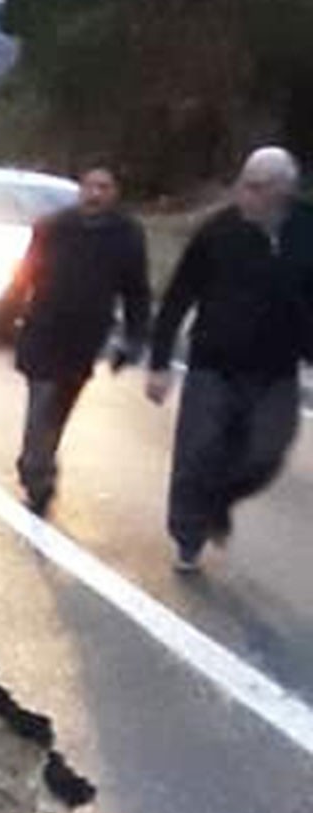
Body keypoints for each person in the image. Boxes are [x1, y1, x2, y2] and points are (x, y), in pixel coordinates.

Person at [148, 146, 313, 572]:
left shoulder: (307, 231)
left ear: (284, 192)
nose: (247, 195)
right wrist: (160, 362)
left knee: (266, 453)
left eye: (258, 189)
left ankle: (218, 500)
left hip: (277, 370)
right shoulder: (217, 233)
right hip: (213, 366)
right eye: (244, 185)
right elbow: (178, 296)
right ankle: (188, 535)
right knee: (197, 453)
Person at [0, 165, 152, 514]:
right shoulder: (52, 228)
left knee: (60, 408)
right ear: (80, 188)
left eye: (104, 187)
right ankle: (38, 472)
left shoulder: (127, 236)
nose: (95, 194)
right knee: (42, 401)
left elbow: (137, 292)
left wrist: (134, 339)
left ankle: (37, 460)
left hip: (85, 339)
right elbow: (25, 276)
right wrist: (4, 317)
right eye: (90, 185)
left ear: (116, 192)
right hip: (43, 331)